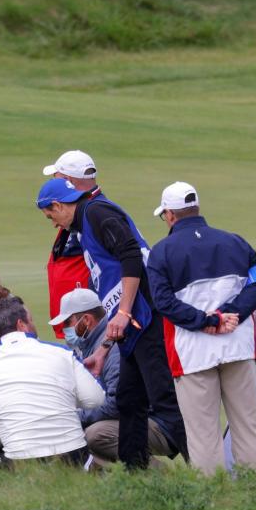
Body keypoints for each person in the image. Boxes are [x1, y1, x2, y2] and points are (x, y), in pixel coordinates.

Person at [36, 177, 187, 469]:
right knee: (130, 401)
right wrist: (105, 348)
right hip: (130, 328)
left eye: (50, 215)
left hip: (145, 318)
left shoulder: (96, 212)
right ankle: (136, 476)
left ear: (58, 205)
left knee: (165, 400)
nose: (53, 222)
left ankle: (207, 474)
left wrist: (125, 313)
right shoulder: (83, 227)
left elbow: (131, 255)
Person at [147, 182, 256, 475]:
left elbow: (163, 302)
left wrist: (208, 321)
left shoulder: (161, 252)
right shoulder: (236, 242)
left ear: (170, 215)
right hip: (237, 346)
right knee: (248, 425)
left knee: (203, 433)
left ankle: (214, 502)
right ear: (196, 209)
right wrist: (231, 315)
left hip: (192, 354)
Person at [50, 288, 179, 468]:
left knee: (94, 434)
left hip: (157, 421)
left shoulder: (113, 348)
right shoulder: (89, 343)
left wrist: (75, 416)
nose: (64, 330)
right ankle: (116, 482)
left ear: (86, 320)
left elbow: (117, 404)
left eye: (67, 323)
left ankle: (156, 475)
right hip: (139, 417)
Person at [0, 297, 105, 465]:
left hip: (21, 462)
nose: (34, 325)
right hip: (72, 455)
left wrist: (13, 429)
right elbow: (96, 398)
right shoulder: (60, 352)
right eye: (31, 320)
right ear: (21, 325)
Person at [41, 150, 103, 338]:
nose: (52, 181)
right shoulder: (76, 213)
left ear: (68, 180)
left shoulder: (94, 214)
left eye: (56, 177)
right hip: (77, 322)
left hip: (86, 322)